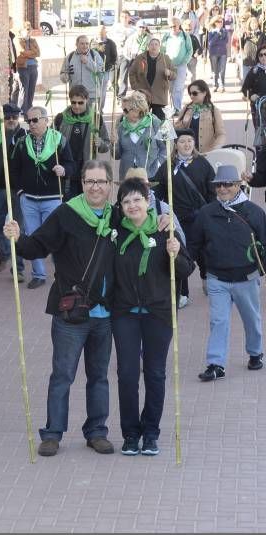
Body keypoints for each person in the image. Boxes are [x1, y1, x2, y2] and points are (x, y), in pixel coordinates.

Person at [3, 161, 117, 458]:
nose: (95, 187)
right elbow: (38, 246)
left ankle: (96, 432)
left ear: (110, 185)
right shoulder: (66, 214)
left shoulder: (116, 217)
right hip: (71, 313)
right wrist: (18, 238)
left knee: (100, 376)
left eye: (101, 182)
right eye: (90, 181)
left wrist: (164, 222)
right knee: (63, 375)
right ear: (81, 183)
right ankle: (53, 433)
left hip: (105, 315)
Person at [112, 178, 194, 457]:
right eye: (126, 201)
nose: (132, 205)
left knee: (156, 373)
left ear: (148, 202)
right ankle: (130, 433)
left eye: (137, 199)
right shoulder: (115, 233)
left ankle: (151, 432)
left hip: (158, 312)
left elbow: (186, 270)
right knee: (127, 374)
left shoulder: (165, 231)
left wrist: (176, 253)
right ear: (120, 207)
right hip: (124, 313)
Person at [189, 165, 266, 382]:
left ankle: (255, 352)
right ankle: (216, 364)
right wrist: (192, 267)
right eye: (218, 185)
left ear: (238, 185)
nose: (222, 189)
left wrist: (260, 270)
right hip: (217, 278)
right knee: (218, 321)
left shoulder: (255, 212)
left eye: (227, 184)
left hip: (247, 278)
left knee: (251, 319)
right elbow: (195, 245)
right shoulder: (206, 213)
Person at [8, 106, 75, 290]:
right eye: (28, 121)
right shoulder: (22, 143)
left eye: (35, 120)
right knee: (32, 236)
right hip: (29, 199)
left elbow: (71, 164)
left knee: (56, 236)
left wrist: (64, 170)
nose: (31, 124)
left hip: (53, 197)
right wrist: (20, 191)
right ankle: (38, 274)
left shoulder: (59, 140)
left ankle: (62, 271)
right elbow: (14, 170)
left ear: (46, 120)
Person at [152, 129, 215, 308]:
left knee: (204, 250)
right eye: (182, 141)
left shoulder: (203, 164)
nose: (186, 145)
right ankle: (183, 292)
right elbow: (158, 190)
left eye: (190, 141)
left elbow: (211, 191)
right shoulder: (167, 166)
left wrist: (209, 212)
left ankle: (205, 275)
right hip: (179, 218)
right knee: (181, 254)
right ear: (175, 144)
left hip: (201, 216)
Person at [0, 103, 27, 279]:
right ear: (2, 118)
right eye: (7, 117)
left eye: (14, 117)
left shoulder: (25, 136)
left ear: (18, 118)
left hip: (18, 190)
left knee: (19, 229)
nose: (11, 120)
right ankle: (5, 253)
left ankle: (19, 268)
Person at [54, 85, 110, 199]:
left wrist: (100, 143)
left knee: (87, 202)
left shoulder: (96, 118)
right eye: (73, 102)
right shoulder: (61, 118)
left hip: (87, 169)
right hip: (67, 169)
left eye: (80, 102)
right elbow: (50, 141)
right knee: (69, 204)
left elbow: (107, 144)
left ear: (87, 100)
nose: (76, 106)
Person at [114, 90, 166, 180]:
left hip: (150, 175)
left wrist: (157, 164)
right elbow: (117, 155)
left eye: (126, 110)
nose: (123, 113)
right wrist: (113, 143)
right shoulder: (121, 125)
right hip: (127, 177)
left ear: (137, 110)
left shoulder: (155, 122)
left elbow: (166, 148)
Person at [129, 37, 176, 120]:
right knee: (141, 120)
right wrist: (135, 86)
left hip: (159, 95)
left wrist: (170, 73)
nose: (154, 46)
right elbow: (132, 72)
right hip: (143, 94)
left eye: (156, 44)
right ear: (148, 46)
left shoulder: (166, 58)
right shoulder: (140, 57)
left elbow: (175, 74)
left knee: (159, 122)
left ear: (159, 47)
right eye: (151, 44)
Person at [175, 80, 226, 152]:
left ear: (204, 93)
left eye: (195, 93)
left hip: (206, 154)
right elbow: (176, 130)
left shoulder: (213, 110)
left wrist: (214, 149)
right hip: (188, 153)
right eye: (190, 93)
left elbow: (221, 134)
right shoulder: (187, 108)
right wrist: (184, 122)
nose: (192, 96)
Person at [161, 17, 195, 113]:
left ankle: (177, 108)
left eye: (174, 26)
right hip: (169, 66)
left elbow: (190, 50)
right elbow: (162, 50)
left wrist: (184, 61)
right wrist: (163, 62)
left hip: (181, 66)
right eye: (171, 26)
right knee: (171, 88)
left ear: (179, 25)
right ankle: (174, 107)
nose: (173, 28)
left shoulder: (184, 35)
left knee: (178, 87)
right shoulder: (166, 36)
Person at [60, 35, 104, 106]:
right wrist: (64, 77)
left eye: (87, 43)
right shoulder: (70, 57)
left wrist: (88, 62)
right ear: (76, 44)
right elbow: (63, 73)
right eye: (82, 43)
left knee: (91, 116)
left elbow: (101, 71)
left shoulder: (95, 55)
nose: (85, 46)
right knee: (77, 116)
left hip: (91, 96)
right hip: (75, 97)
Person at [112, 11, 140, 98]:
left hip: (126, 56)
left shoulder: (134, 30)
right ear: (120, 18)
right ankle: (117, 93)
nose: (124, 18)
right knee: (112, 80)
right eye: (122, 16)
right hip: (114, 55)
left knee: (123, 78)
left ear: (129, 18)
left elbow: (137, 42)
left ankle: (121, 96)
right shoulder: (115, 27)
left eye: (126, 16)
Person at [91, 26, 118, 113]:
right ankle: (94, 109)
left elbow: (114, 56)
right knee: (94, 90)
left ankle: (100, 109)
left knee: (102, 91)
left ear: (105, 32)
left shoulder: (110, 43)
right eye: (98, 31)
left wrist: (109, 65)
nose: (100, 33)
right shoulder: (92, 41)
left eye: (102, 31)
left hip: (105, 71)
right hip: (93, 71)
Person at [16, 22, 40, 114]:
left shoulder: (33, 41)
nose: (29, 31)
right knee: (24, 90)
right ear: (22, 31)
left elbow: (38, 53)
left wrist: (28, 52)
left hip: (33, 67)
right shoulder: (19, 40)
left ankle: (29, 109)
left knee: (31, 89)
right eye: (27, 29)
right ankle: (22, 110)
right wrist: (32, 53)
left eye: (30, 29)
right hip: (23, 68)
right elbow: (22, 52)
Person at [241, 45, 266, 133]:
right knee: (260, 133)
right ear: (258, 57)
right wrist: (251, 95)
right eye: (261, 55)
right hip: (258, 107)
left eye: (265, 54)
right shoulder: (254, 71)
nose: (263, 57)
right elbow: (244, 88)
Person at [207, 16, 229, 92]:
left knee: (222, 70)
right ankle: (215, 85)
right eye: (219, 22)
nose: (220, 23)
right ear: (215, 23)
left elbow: (225, 42)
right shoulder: (211, 32)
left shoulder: (225, 31)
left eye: (221, 21)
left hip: (223, 52)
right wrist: (217, 34)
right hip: (213, 53)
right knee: (214, 71)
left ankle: (222, 85)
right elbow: (210, 43)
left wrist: (217, 41)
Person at [239, 17, 262, 82]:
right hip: (246, 60)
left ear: (258, 24)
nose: (254, 24)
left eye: (255, 22)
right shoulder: (245, 34)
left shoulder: (261, 35)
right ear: (249, 24)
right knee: (246, 81)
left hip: (257, 61)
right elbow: (241, 45)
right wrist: (241, 36)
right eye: (252, 23)